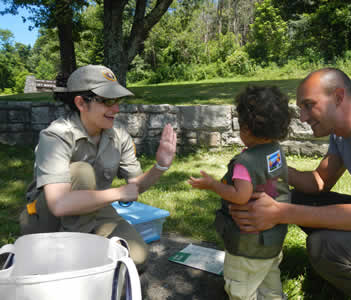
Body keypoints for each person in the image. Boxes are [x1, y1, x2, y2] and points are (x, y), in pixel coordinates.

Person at [229, 68, 351, 299]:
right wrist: (268, 166)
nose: (303, 117)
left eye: (309, 105)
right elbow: (318, 182)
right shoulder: (342, 134)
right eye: (301, 108)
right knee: (297, 198)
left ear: (339, 97)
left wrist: (280, 213)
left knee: (324, 246)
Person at [19, 65, 177, 272]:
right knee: (81, 171)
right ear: (81, 103)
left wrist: (160, 165)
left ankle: (85, 258)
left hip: (93, 208)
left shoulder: (119, 136)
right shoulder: (56, 136)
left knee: (137, 257)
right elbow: (59, 204)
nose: (116, 109)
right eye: (108, 101)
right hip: (47, 217)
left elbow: (134, 188)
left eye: (118, 100)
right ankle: (75, 263)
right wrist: (117, 193)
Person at [189, 85, 291, 300]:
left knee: (241, 290)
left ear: (245, 128)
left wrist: (213, 184)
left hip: (248, 245)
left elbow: (240, 196)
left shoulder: (245, 164)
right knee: (269, 283)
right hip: (273, 238)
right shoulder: (276, 151)